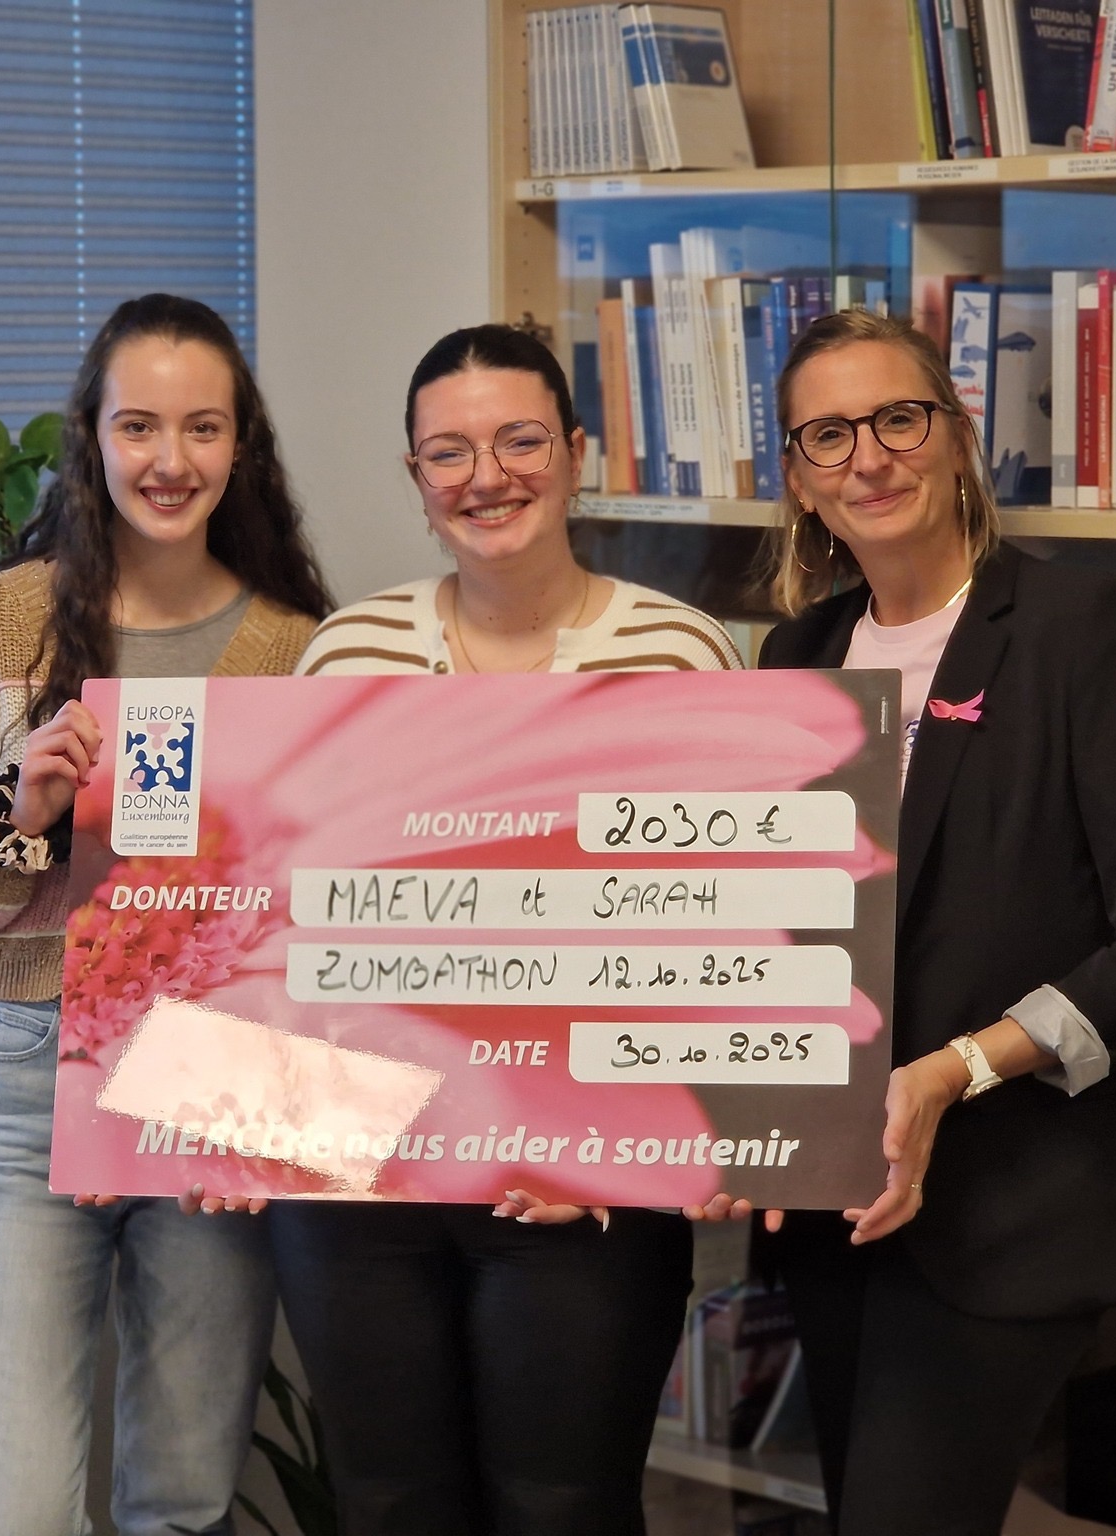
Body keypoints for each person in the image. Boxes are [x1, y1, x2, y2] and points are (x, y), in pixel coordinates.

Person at [722, 307, 1116, 1535]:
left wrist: (954, 1071)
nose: (868, 458)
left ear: (957, 435)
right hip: (836, 1209)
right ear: (796, 478)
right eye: (828, 436)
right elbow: (774, 931)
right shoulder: (795, 653)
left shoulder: (1080, 628)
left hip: (1013, 1205)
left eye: (898, 419)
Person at [0, 292, 333, 1536]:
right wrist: (13, 816)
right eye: (138, 426)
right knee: (13, 1509)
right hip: (27, 1082)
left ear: (241, 445)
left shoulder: (299, 650)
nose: (169, 460)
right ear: (90, 435)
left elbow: (319, 916)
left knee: (183, 1500)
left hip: (216, 1082)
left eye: (201, 428)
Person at [276, 323, 739, 1535]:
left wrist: (608, 1143)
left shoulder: (681, 653)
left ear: (576, 454)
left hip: (582, 1193)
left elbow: (721, 943)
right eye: (449, 452)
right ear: (415, 476)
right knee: (388, 1506)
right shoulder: (345, 654)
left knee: (563, 1508)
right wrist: (225, 1130)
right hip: (361, 1187)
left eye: (520, 440)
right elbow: (283, 935)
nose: (486, 476)